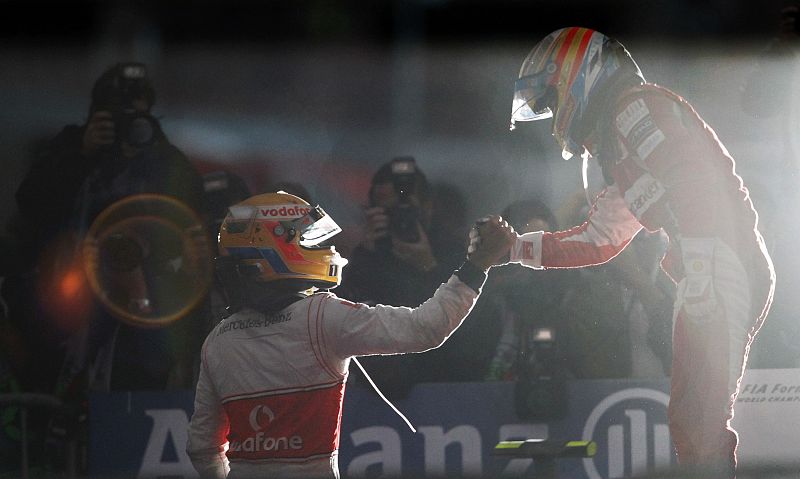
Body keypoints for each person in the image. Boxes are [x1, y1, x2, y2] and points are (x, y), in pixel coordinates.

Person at [477, 27, 775, 477]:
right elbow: (599, 241)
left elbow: (691, 180)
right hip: (714, 265)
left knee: (699, 424)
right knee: (693, 423)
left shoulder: (634, 108)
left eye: (554, 101)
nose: (556, 117)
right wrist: (514, 249)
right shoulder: (619, 142)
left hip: (719, 264)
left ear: (578, 76)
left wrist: (699, 267)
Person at [185, 191, 515, 479]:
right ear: (272, 253)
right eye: (306, 240)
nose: (321, 247)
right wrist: (478, 264)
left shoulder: (218, 340)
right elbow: (426, 328)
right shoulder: (322, 317)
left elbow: (202, 449)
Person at [6, 62, 208, 473]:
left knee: (143, 379)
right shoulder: (70, 147)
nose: (128, 123)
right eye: (117, 114)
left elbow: (193, 220)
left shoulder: (165, 157)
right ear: (95, 114)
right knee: (53, 387)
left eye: (139, 112)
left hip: (142, 303)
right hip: (70, 297)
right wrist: (83, 152)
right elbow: (31, 202)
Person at [337, 157, 492, 394]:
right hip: (373, 395)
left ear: (427, 206)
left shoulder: (455, 253)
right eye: (386, 211)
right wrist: (365, 255)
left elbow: (477, 328)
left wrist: (428, 266)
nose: (397, 218)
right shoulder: (365, 260)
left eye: (404, 210)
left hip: (446, 389)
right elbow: (341, 323)